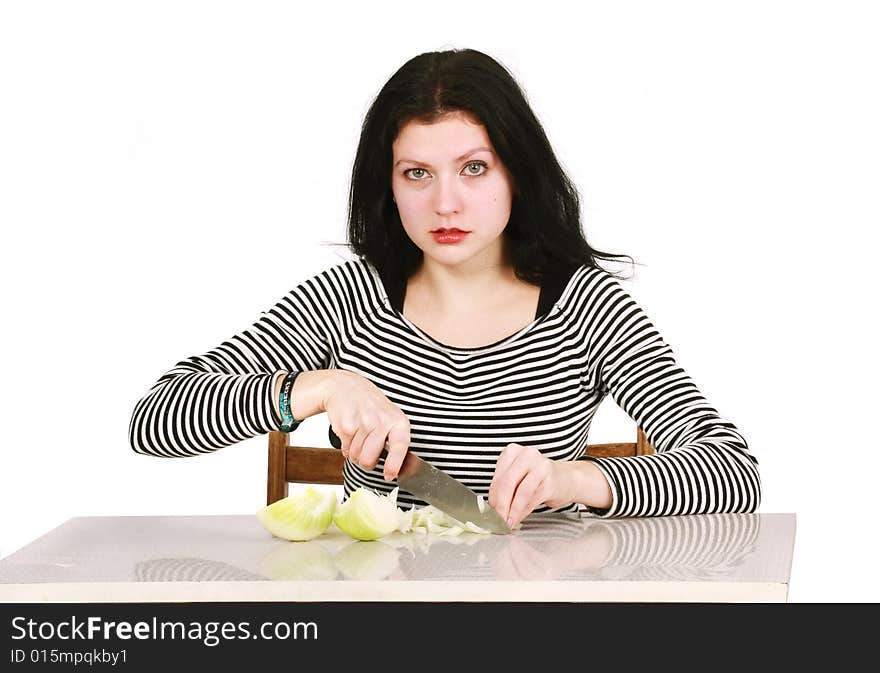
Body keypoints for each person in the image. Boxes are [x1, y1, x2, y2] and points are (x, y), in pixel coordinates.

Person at [129, 48, 761, 527]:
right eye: (417, 173)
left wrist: (574, 481)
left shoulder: (586, 307)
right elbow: (153, 419)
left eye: (474, 167)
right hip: (373, 613)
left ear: (519, 172)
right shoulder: (348, 297)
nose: (446, 203)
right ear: (389, 186)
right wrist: (317, 389)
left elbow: (733, 472)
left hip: (536, 612)